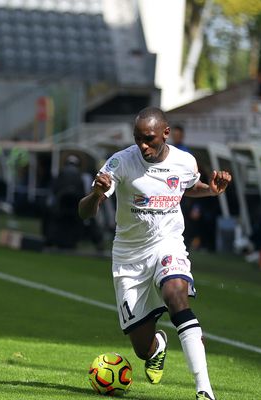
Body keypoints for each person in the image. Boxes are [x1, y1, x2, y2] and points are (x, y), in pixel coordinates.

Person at [78, 107, 231, 400]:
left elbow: (187, 186)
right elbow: (84, 212)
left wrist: (210, 190)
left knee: (176, 294)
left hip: (167, 243)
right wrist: (97, 194)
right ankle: (158, 347)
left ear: (165, 133)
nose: (142, 146)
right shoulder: (120, 162)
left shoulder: (184, 161)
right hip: (129, 257)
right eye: (137, 139)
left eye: (148, 139)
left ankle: (204, 390)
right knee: (141, 347)